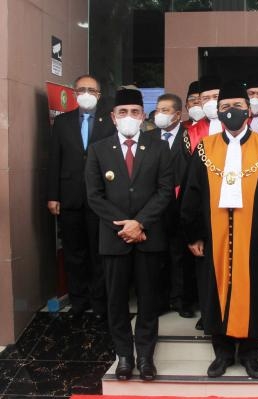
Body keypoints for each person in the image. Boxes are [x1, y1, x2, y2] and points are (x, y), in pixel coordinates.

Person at [180, 80, 258, 379]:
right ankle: (222, 353)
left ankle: (251, 353)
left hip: (254, 237)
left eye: (237, 106)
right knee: (215, 291)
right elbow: (192, 193)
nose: (231, 112)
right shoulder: (205, 147)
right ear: (217, 111)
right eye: (225, 107)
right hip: (215, 235)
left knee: (255, 290)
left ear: (249, 110)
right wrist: (194, 234)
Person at [85, 88, 174, 381]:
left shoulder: (159, 147)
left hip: (148, 238)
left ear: (143, 116)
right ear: (113, 117)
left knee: (149, 299)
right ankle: (124, 355)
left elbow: (164, 191)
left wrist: (141, 223)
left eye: (134, 112)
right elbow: (94, 196)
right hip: (114, 239)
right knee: (116, 300)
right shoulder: (98, 149)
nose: (129, 117)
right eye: (122, 112)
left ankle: (146, 356)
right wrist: (124, 225)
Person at [47, 74, 115, 320]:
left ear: (99, 95)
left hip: (100, 199)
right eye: (81, 89)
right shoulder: (62, 122)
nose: (86, 93)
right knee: (74, 252)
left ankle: (99, 302)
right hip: (69, 198)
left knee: (98, 253)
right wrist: (52, 196)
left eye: (91, 90)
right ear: (74, 93)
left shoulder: (109, 122)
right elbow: (54, 160)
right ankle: (78, 301)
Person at [149, 93, 196, 319]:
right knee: (158, 256)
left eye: (166, 111)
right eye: (158, 110)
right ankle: (159, 300)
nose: (160, 115)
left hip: (180, 206)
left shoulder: (189, 137)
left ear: (178, 114)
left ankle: (181, 300)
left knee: (180, 255)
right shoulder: (148, 138)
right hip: (154, 208)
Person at [187, 75, 223, 150]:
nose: (211, 101)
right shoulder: (191, 132)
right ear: (201, 101)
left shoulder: (236, 127)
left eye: (216, 97)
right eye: (206, 98)